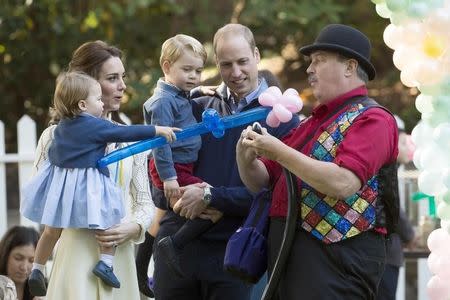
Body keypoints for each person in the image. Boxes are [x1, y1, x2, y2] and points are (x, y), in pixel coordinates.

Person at [236, 24, 399, 299]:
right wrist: (245, 157)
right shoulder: (310, 123)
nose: (309, 70)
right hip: (289, 259)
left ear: (349, 67)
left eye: (319, 61)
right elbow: (261, 180)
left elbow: (343, 182)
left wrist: (277, 151)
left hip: (338, 264)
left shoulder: (374, 119)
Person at [151, 23, 299, 300]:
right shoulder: (195, 107)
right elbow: (158, 175)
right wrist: (176, 196)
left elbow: (278, 197)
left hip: (236, 254)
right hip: (177, 245)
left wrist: (213, 197)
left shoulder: (281, 118)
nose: (236, 72)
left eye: (242, 61)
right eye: (226, 64)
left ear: (256, 55)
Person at [20, 71, 176, 295]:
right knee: (108, 217)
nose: (121, 86)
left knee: (49, 231)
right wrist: (157, 129)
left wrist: (134, 226)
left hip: (65, 195)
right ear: (83, 103)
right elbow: (130, 133)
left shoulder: (63, 128)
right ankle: (105, 263)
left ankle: (37, 268)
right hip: (79, 238)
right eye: (111, 79)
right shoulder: (92, 127)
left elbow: (54, 162)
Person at [376, 116, 415, 300]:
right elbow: (394, 209)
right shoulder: (386, 167)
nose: (408, 148)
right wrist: (410, 235)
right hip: (385, 253)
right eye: (402, 142)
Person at [0, 226, 40, 300]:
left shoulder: (42, 292)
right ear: (4, 256)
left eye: (31, 260)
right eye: (18, 258)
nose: (24, 267)